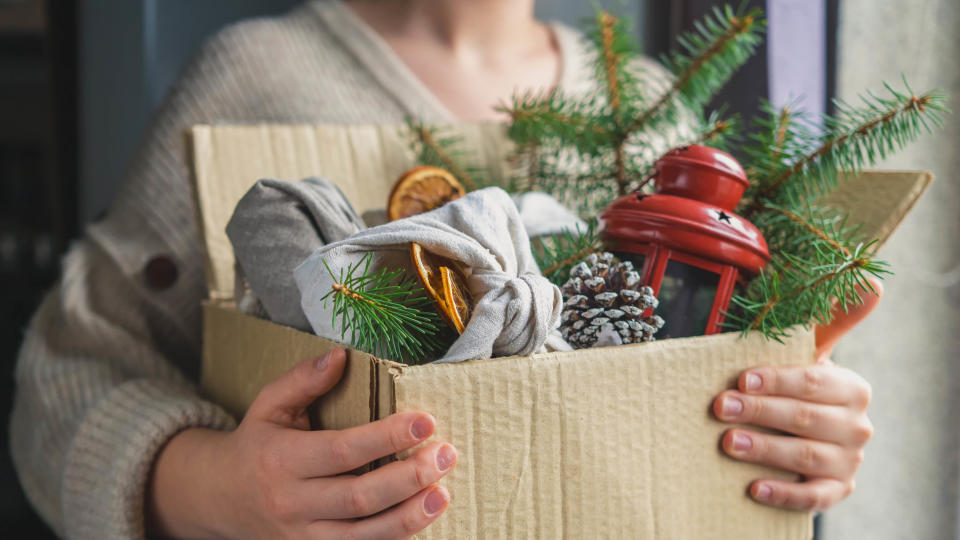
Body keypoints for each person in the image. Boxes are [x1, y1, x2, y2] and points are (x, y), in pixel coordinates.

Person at [9, 1, 875, 538]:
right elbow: (65, 381)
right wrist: (217, 489)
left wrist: (794, 433)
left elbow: (720, 386)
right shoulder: (256, 80)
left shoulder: (646, 112)